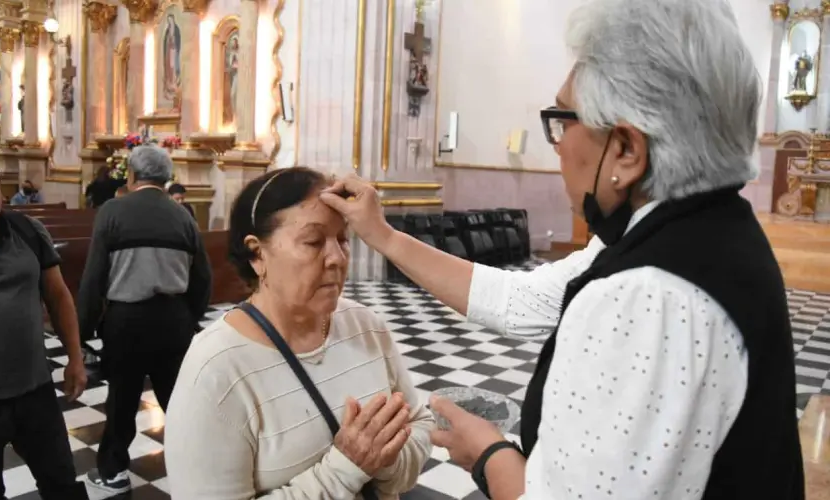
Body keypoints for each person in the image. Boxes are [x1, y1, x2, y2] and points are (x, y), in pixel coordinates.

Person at [320, 0, 804, 498]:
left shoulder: (643, 295)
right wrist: (382, 235)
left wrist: (488, 454)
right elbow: (516, 299)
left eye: (563, 119)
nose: (557, 144)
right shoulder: (704, 233)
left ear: (627, 150)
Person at [164, 167, 434, 499]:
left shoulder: (365, 325)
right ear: (257, 254)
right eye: (313, 241)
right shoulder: (216, 369)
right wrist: (345, 469)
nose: (337, 258)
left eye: (342, 239)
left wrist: (386, 461)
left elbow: (419, 425)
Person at [77, 144, 212, 494]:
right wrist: (188, 317)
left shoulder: (113, 211)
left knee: (122, 399)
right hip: (173, 321)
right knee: (178, 401)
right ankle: (202, 467)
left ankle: (113, 472)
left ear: (133, 176)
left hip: (127, 321)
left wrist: (81, 330)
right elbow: (202, 278)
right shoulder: (184, 216)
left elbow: (94, 277)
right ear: (167, 178)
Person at [0, 147, 88, 499]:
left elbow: (59, 296)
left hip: (34, 391)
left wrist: (76, 359)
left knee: (62, 485)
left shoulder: (27, 230)